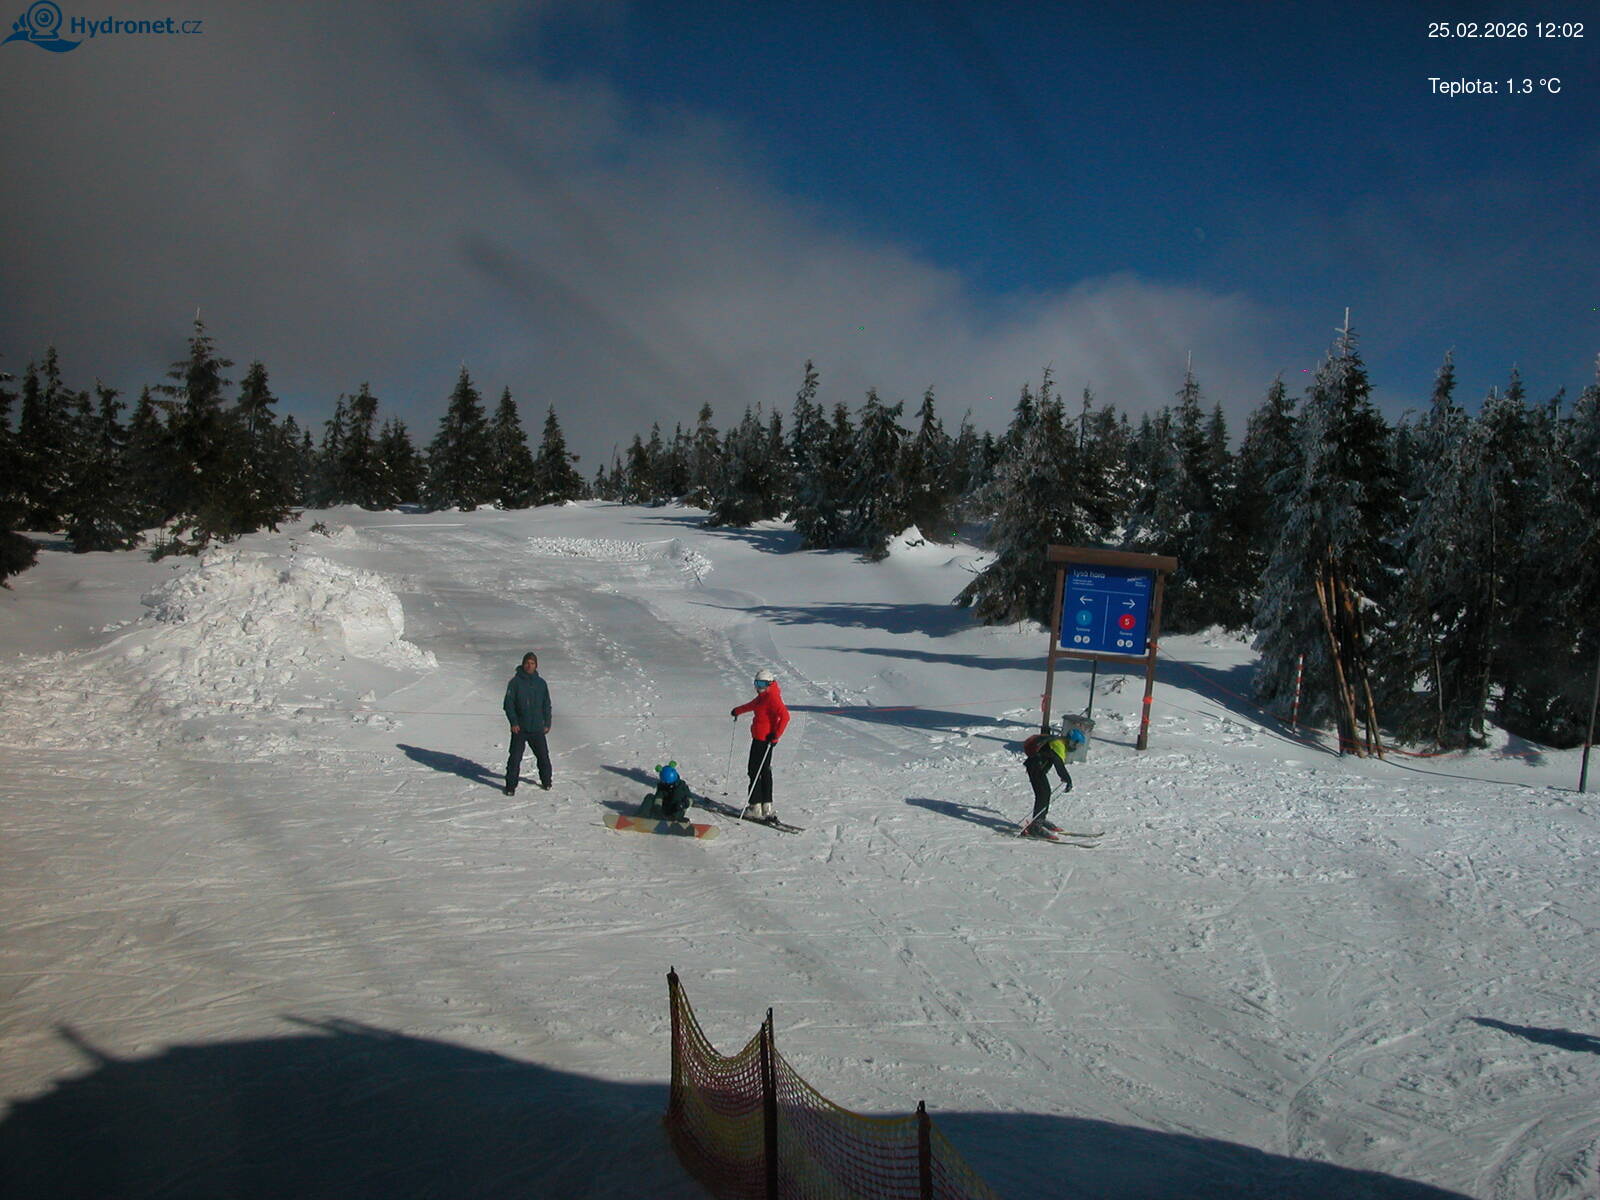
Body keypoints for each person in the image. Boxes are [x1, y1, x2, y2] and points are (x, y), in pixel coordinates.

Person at [731, 667, 789, 823]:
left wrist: (776, 736)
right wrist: (738, 710)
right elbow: (752, 705)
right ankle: (764, 806)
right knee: (762, 771)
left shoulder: (772, 697)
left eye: (762, 684)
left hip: (764, 740)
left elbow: (785, 716)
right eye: (757, 683)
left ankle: (756, 806)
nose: (759, 687)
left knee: (755, 771)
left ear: (769, 683)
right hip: (759, 739)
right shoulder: (764, 697)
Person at [503, 651, 552, 796]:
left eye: (532, 663)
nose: (529, 666)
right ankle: (510, 786)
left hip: (537, 728)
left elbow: (546, 705)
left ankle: (546, 781)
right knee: (515, 758)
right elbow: (508, 704)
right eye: (527, 663)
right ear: (523, 664)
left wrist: (547, 723)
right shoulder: (515, 682)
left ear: (536, 665)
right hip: (520, 728)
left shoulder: (541, 683)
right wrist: (514, 722)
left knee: (543, 756)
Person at [1021, 727, 1080, 834]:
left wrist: (1064, 777)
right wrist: (1067, 779)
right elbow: (1058, 763)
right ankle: (1036, 825)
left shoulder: (1058, 743)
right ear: (1071, 740)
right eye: (1076, 743)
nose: (1076, 747)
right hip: (1035, 768)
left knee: (1045, 793)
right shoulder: (1059, 745)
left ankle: (1040, 819)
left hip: (1036, 768)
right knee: (1043, 793)